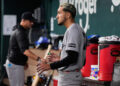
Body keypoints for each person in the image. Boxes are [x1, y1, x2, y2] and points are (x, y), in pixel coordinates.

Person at [37, 3, 87, 86]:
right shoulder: (76, 29)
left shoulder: (73, 30)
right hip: (71, 76)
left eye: (59, 13)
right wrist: (61, 59)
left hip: (69, 79)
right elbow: (79, 59)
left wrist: (50, 66)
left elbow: (72, 58)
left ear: (68, 15)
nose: (57, 16)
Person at [5, 12, 41, 86]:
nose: (32, 23)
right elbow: (25, 51)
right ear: (23, 20)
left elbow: (16, 48)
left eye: (32, 21)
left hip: (13, 63)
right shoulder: (20, 32)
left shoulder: (18, 29)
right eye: (30, 21)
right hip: (14, 64)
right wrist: (39, 59)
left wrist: (24, 61)